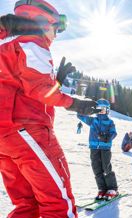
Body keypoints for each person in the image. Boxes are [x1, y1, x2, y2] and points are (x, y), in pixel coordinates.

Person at [0, 1, 99, 217]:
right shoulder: (32, 41)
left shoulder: (5, 43)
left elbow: (19, 86)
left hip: (5, 138)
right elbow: (40, 91)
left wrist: (57, 82)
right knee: (58, 203)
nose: (55, 36)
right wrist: (76, 104)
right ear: (44, 22)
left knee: (28, 205)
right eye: (56, 30)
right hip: (26, 131)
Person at [77, 99, 119, 201]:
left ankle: (112, 189)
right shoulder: (92, 121)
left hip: (105, 148)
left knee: (106, 167)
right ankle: (102, 188)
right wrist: (86, 109)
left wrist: (107, 138)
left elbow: (114, 133)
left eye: (103, 108)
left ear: (107, 110)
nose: (101, 110)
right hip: (94, 147)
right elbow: (79, 115)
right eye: (98, 108)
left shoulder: (109, 122)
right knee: (96, 168)